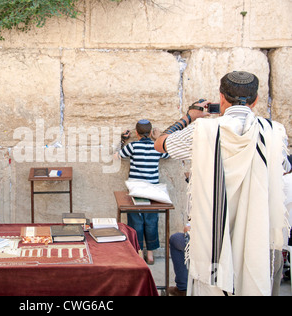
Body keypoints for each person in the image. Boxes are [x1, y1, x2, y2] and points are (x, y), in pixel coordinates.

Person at [154, 71, 291, 296]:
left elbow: (160, 144)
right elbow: (282, 168)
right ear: (255, 100)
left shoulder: (203, 131)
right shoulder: (275, 132)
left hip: (214, 234)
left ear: (221, 97)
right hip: (258, 232)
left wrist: (189, 117)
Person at [118, 119, 169, 264]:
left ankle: (139, 253)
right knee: (151, 220)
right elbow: (168, 153)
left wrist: (123, 140)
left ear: (136, 133)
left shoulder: (133, 146)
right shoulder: (156, 147)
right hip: (153, 190)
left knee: (136, 220)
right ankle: (151, 254)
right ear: (151, 131)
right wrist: (158, 138)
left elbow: (118, 155)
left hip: (136, 190)